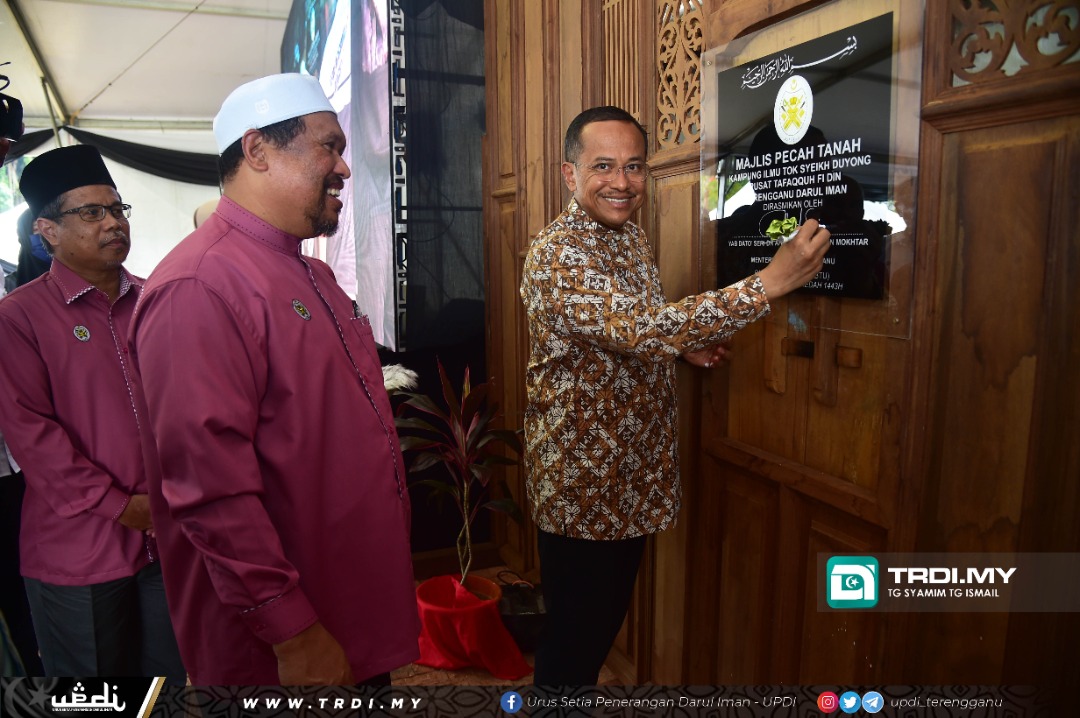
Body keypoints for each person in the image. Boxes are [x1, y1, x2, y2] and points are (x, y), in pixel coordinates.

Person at [520, 106, 830, 685]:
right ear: (569, 175)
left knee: (596, 631)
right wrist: (770, 281)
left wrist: (679, 348)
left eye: (634, 167)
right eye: (604, 166)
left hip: (633, 477)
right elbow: (639, 329)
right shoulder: (558, 253)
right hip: (585, 488)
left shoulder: (630, 236)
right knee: (572, 647)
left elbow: (637, 327)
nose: (622, 182)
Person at [129, 73, 420, 685]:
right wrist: (291, 629)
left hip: (343, 605)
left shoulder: (307, 273)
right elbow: (210, 488)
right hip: (286, 644)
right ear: (257, 150)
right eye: (328, 146)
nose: (344, 168)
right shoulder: (200, 285)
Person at [0, 144, 185, 681]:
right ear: (47, 230)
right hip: (78, 550)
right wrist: (120, 505)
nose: (113, 223)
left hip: (165, 539)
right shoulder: (19, 318)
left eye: (118, 209)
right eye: (91, 213)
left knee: (165, 683)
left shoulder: (156, 299)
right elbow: (32, 435)